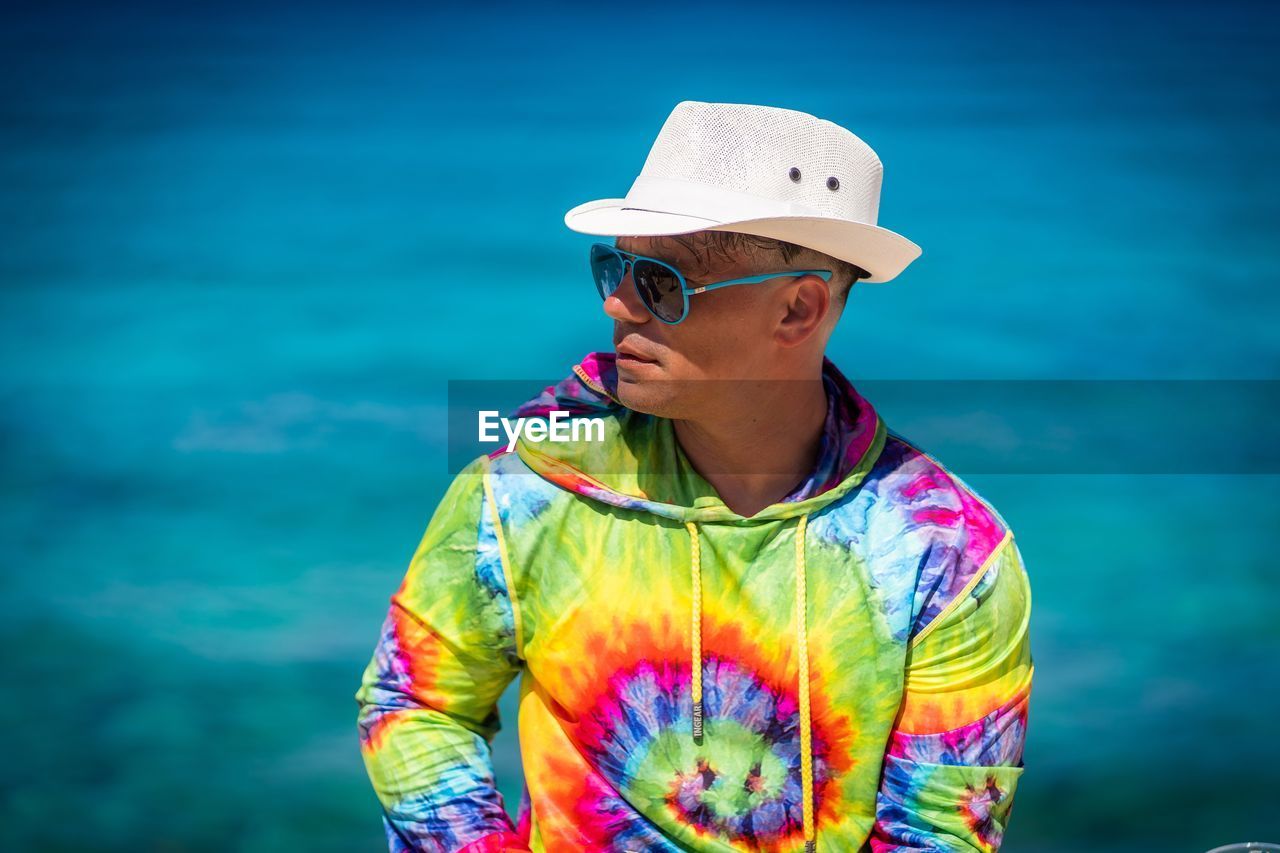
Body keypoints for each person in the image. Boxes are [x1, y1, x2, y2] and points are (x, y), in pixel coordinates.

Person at [354, 100, 1034, 852]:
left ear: (797, 310)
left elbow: (936, 834)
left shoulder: (946, 556)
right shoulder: (529, 482)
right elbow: (417, 702)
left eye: (662, 280)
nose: (616, 303)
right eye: (613, 267)